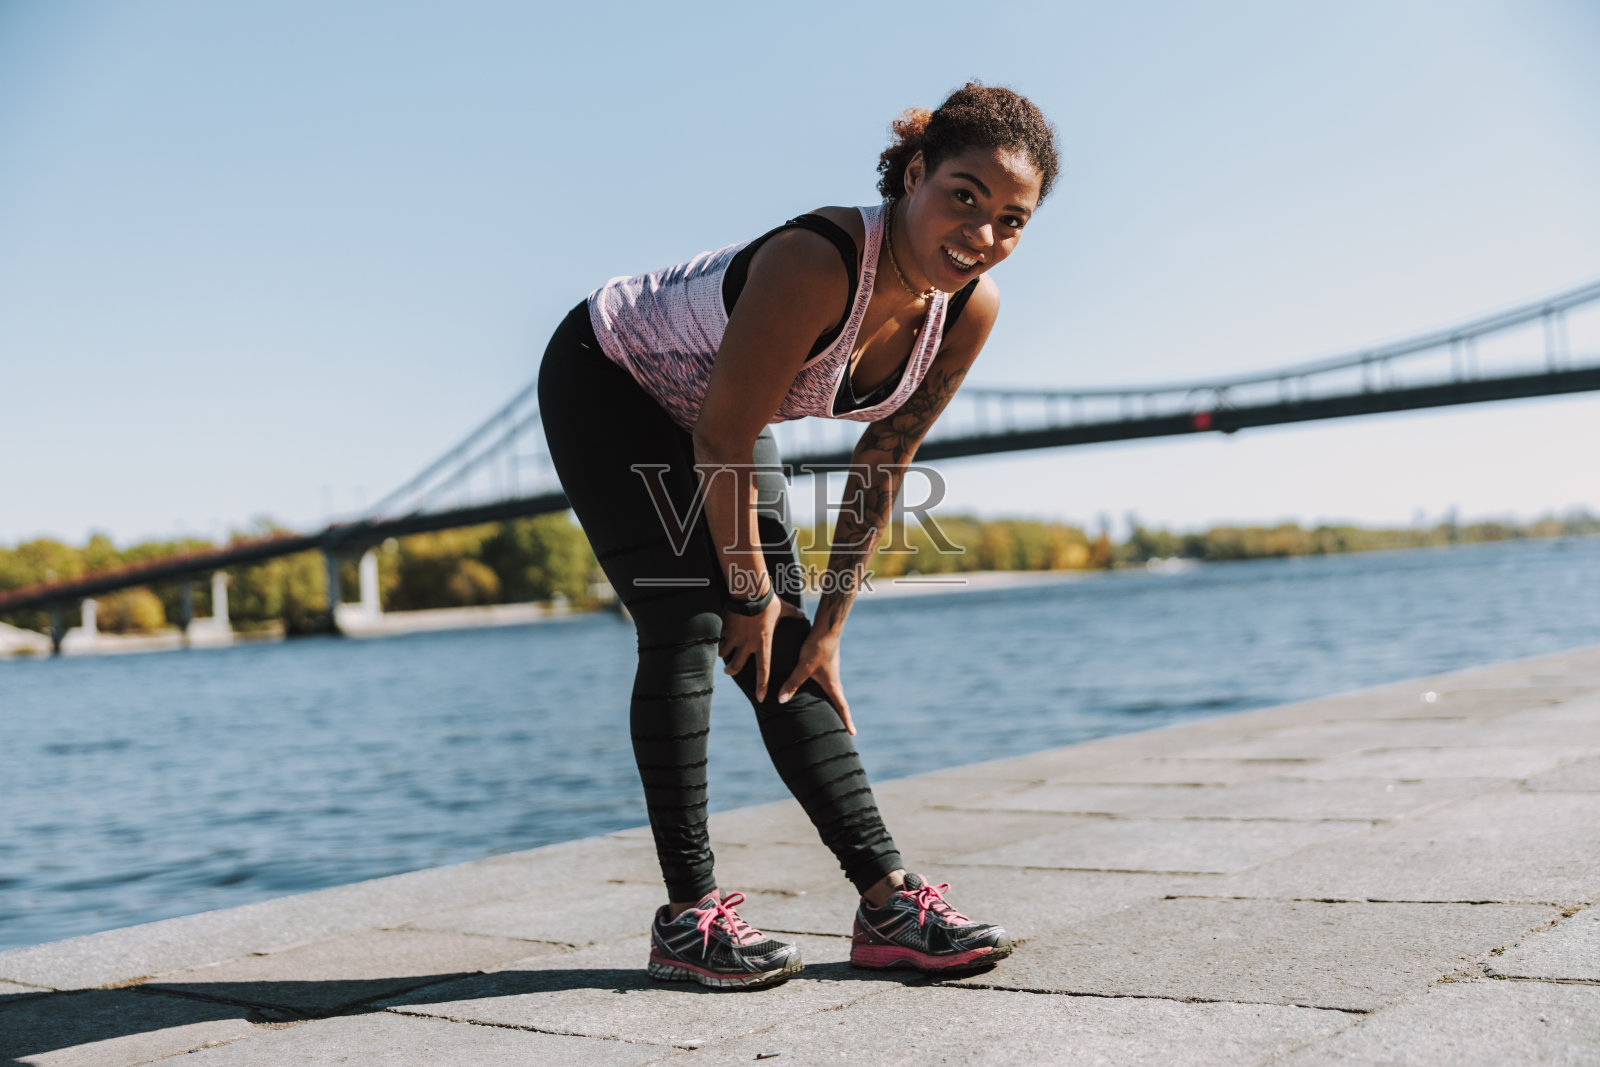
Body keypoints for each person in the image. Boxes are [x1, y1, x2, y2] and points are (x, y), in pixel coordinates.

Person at [538, 82, 1058, 989]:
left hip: (718, 416)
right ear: (916, 172)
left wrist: (828, 624)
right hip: (609, 376)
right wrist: (747, 591)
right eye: (964, 196)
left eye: (1012, 219)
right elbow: (723, 438)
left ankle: (889, 905)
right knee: (693, 622)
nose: (982, 233)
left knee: (787, 646)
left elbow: (886, 453)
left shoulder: (969, 308)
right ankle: (686, 920)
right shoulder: (817, 262)